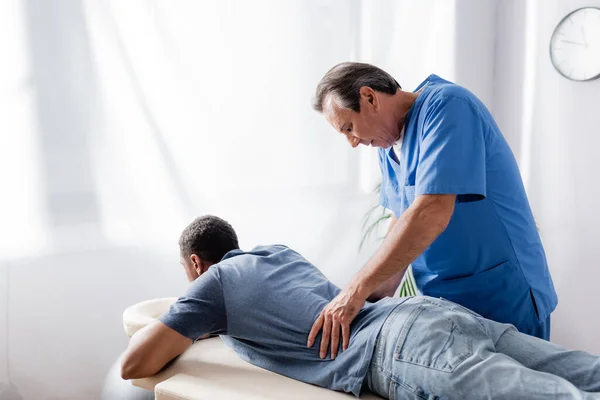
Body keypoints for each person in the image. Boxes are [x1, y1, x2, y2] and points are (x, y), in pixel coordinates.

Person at [120, 216, 600, 399]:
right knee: (585, 373)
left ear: (196, 264)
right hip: (427, 312)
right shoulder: (280, 253)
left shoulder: (213, 284)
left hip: (401, 350)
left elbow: (134, 365)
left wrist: (192, 313)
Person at [309, 62, 557, 350]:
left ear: (369, 97)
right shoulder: (388, 148)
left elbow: (431, 211)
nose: (352, 142)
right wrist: (355, 299)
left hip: (502, 294)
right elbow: (400, 223)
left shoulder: (448, 106)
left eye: (348, 128)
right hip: (448, 305)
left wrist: (355, 291)